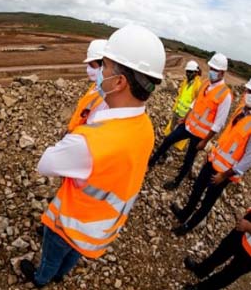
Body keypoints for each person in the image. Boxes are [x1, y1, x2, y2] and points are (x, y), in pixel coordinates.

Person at [20, 24, 166, 287]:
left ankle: (42, 280)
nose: (100, 73)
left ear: (120, 81)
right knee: (72, 255)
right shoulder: (144, 126)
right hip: (98, 231)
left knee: (51, 257)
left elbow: (46, 164)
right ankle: (62, 276)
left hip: (69, 224)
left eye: (105, 67)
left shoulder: (90, 142)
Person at [171, 78, 251, 236]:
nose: (247, 94)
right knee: (196, 189)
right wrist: (213, 151)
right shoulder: (242, 109)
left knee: (207, 202)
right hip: (213, 160)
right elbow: (229, 136)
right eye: (248, 91)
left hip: (224, 172)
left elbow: (248, 160)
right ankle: (184, 214)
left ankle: (188, 226)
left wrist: (224, 175)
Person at [149, 53, 232, 190]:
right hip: (188, 125)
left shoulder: (225, 95)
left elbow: (219, 123)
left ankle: (176, 182)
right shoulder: (206, 83)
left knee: (188, 159)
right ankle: (152, 162)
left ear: (222, 73)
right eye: (211, 68)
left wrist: (205, 141)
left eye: (215, 70)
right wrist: (186, 117)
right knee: (169, 139)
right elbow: (195, 103)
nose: (211, 71)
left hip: (200, 135)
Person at [183, 208, 251, 290]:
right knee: (222, 251)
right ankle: (201, 270)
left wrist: (248, 227)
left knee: (229, 273)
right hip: (244, 230)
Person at [67, 39, 108, 132]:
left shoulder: (106, 99)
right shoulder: (97, 86)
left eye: (92, 65)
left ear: (104, 66)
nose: (88, 70)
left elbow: (92, 127)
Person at [163, 60, 202, 151]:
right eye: (187, 71)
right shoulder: (185, 82)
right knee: (171, 130)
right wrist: (175, 108)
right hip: (177, 112)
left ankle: (168, 150)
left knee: (175, 136)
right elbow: (180, 96)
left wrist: (188, 116)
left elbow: (196, 103)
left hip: (185, 116)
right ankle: (165, 147)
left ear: (195, 73)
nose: (187, 73)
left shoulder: (198, 85)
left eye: (190, 72)